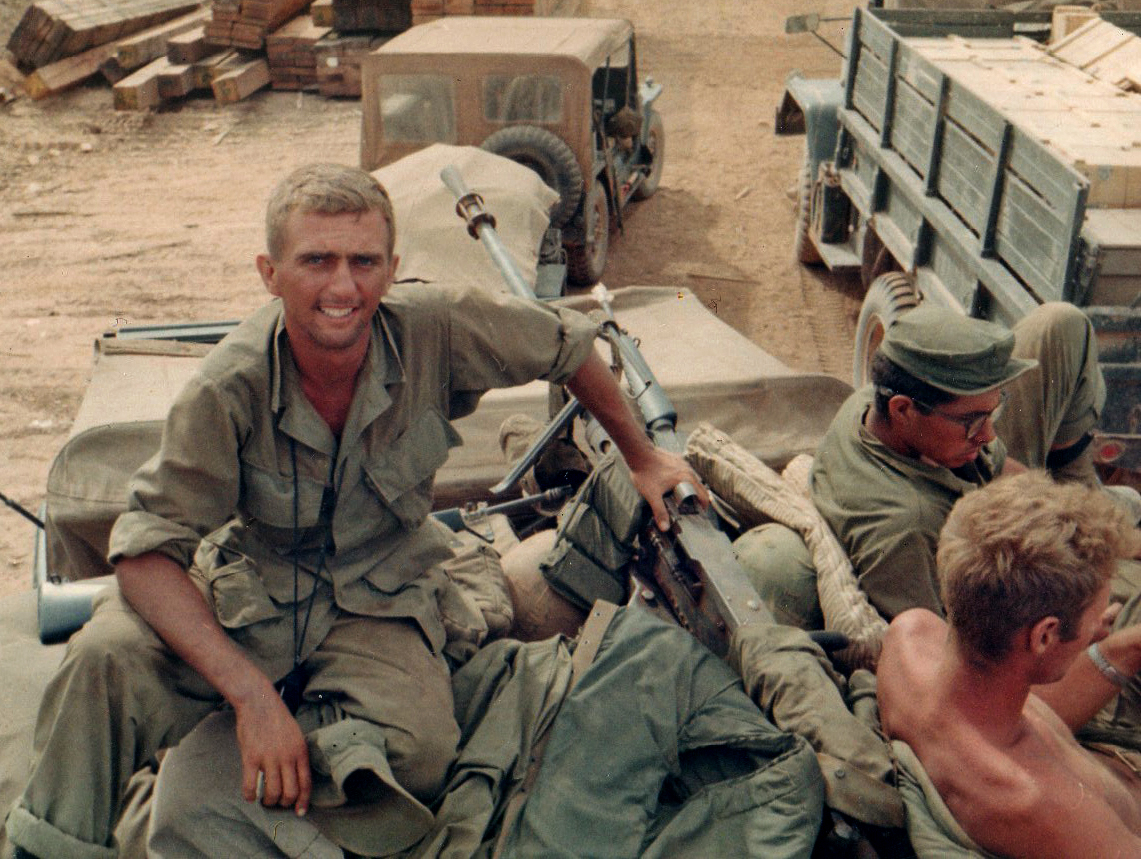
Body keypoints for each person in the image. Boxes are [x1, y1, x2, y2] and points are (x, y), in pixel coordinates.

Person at [5, 163, 705, 859]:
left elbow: (568, 343)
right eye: (316, 260)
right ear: (270, 273)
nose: (343, 287)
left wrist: (641, 457)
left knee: (421, 756)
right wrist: (250, 697)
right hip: (252, 591)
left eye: (364, 262)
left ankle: (218, 771)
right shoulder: (228, 387)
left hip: (380, 590)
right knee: (102, 659)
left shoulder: (435, 327)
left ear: (392, 270)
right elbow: (143, 551)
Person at [736, 301, 1126, 626]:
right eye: (974, 421)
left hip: (991, 527)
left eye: (993, 412)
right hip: (1005, 589)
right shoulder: (906, 530)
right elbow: (944, 652)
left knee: (1062, 323)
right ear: (903, 410)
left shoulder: (873, 407)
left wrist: (1082, 523)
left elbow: (1003, 470)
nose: (989, 435)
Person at [877, 470, 1141, 858]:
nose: (1103, 621)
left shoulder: (911, 635)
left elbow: (1028, 709)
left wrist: (1125, 646)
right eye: (1098, 613)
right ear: (1044, 635)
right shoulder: (1034, 802)